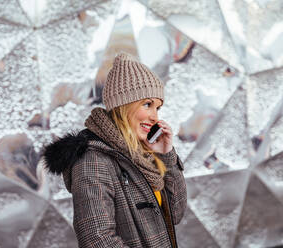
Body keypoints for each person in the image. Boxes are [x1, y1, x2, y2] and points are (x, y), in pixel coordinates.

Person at [43, 53, 187, 248]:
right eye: (147, 104)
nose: (154, 117)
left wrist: (166, 156)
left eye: (157, 108)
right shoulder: (93, 160)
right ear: (123, 105)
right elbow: (97, 240)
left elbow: (175, 214)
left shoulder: (141, 154)